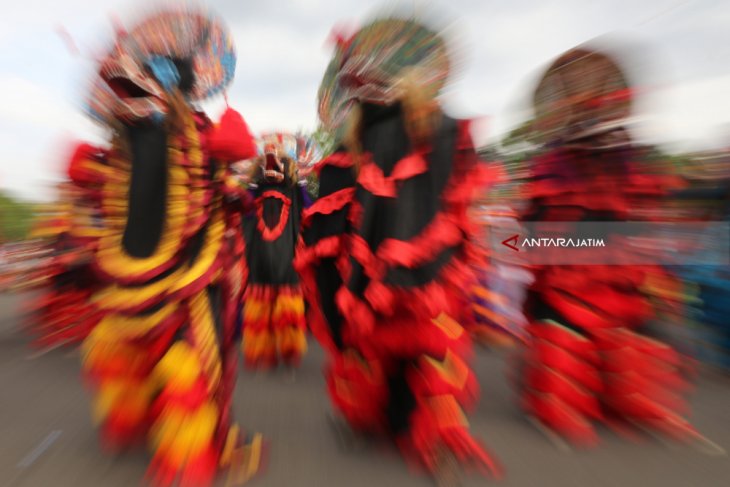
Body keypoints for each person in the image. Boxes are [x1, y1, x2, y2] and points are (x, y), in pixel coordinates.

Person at [297, 15, 501, 484]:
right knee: (370, 351)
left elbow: (459, 200)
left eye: (376, 74)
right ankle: (370, 421)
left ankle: (435, 439)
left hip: (427, 273)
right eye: (357, 79)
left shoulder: (442, 130)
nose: (367, 85)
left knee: (432, 354)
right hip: (366, 277)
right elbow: (330, 225)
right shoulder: (348, 151)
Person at [76, 7, 263, 485]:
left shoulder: (202, 135)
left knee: (189, 368)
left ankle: (188, 455)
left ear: (173, 87)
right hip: (131, 265)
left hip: (192, 273)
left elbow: (229, 196)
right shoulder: (124, 144)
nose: (134, 89)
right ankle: (140, 424)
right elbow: (103, 200)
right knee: (129, 352)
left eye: (148, 78)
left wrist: (234, 187)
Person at [516, 43, 700, 447]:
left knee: (627, 337)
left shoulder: (633, 159)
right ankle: (556, 403)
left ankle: (623, 399)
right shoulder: (551, 161)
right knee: (563, 336)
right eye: (576, 91)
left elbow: (646, 215)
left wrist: (652, 263)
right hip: (568, 270)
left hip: (620, 271)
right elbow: (529, 227)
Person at [241, 132, 310, 371]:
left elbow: (308, 207)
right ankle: (263, 348)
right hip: (260, 255)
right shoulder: (256, 187)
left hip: (286, 253)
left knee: (285, 300)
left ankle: (289, 348)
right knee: (262, 300)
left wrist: (300, 182)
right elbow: (245, 211)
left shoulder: (292, 186)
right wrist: (251, 185)